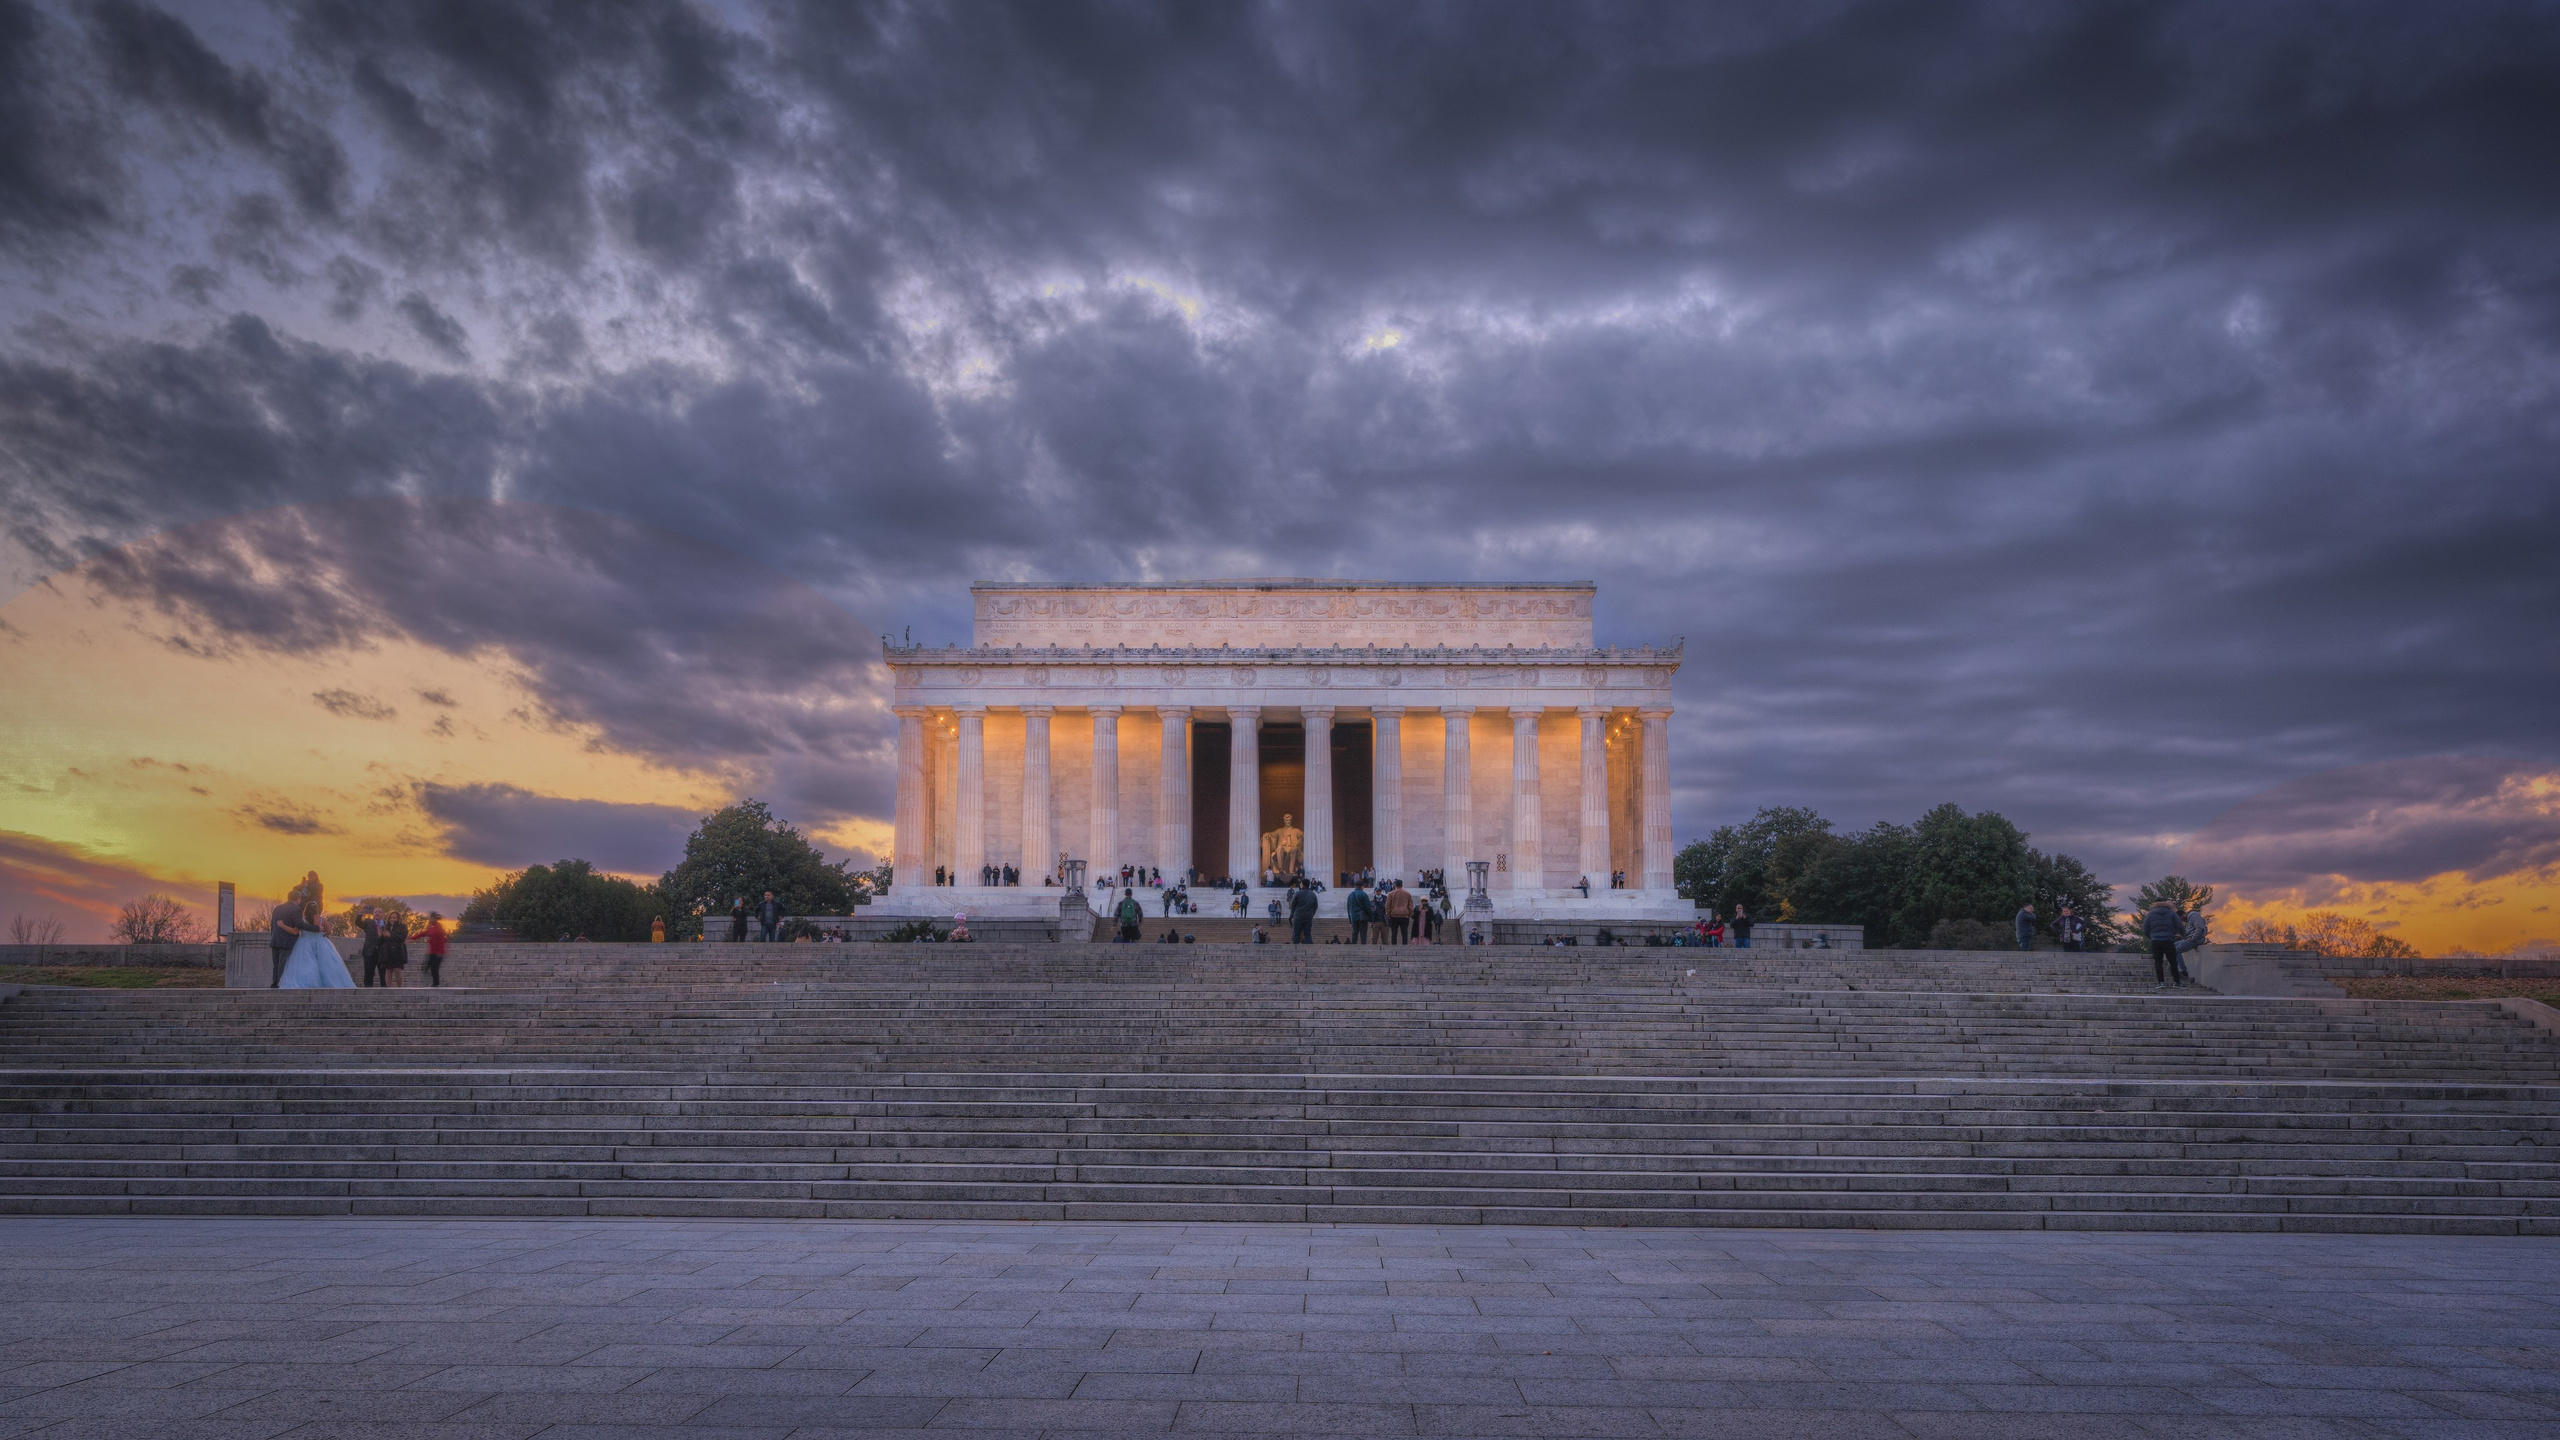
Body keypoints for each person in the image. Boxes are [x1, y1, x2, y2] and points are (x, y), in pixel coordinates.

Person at [276, 894, 355, 989]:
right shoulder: (322, 920)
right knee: (326, 966)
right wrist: (322, 936)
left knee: (305, 965)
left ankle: (308, 983)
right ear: (317, 910)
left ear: (306, 909)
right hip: (321, 943)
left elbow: (294, 931)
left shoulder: (302, 920)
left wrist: (282, 926)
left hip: (304, 943)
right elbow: (329, 931)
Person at [2144, 899, 2186, 987]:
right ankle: (2177, 982)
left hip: (2156, 940)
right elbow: (2179, 925)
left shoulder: (2150, 914)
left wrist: (2151, 937)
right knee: (2173, 962)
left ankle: (2161, 983)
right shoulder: (2171, 912)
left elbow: (2145, 928)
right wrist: (2182, 934)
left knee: (2158, 962)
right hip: (2169, 940)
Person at [267, 895, 305, 988]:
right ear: (298, 899)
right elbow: (298, 924)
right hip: (287, 941)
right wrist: (314, 928)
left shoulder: (277, 908)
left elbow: (272, 924)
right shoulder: (296, 909)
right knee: (283, 964)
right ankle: (281, 983)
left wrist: (273, 936)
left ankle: (274, 983)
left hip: (275, 940)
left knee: (275, 964)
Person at [380, 911, 408, 987]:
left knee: (397, 970)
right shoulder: (385, 927)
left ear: (398, 918)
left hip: (397, 951)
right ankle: (388, 989)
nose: (392, 919)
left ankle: (399, 988)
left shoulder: (402, 927)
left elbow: (402, 938)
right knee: (388, 970)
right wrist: (381, 935)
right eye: (391, 917)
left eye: (394, 918)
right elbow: (381, 940)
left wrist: (390, 935)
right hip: (387, 951)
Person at [357, 907, 383, 987]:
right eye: (375, 912)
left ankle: (385, 992)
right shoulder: (368, 922)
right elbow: (358, 923)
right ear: (373, 914)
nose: (377, 913)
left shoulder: (387, 924)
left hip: (382, 952)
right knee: (368, 973)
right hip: (369, 952)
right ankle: (367, 992)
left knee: (383, 974)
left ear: (383, 914)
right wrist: (360, 914)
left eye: (379, 912)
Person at [422, 911, 448, 987]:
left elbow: (442, 940)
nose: (429, 920)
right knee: (430, 965)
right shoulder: (432, 928)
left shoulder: (438, 927)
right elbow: (423, 933)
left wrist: (440, 951)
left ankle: (436, 983)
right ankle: (427, 971)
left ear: (434, 919)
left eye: (431, 918)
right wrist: (412, 938)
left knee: (434, 968)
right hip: (432, 951)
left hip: (438, 952)